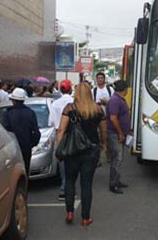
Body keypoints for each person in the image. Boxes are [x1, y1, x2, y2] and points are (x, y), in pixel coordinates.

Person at [56, 83, 107, 226]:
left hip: (72, 151)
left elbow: (61, 130)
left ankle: (70, 212)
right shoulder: (98, 110)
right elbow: (103, 130)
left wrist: (61, 147)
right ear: (90, 93)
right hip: (91, 151)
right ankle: (85, 218)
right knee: (86, 184)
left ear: (76, 93)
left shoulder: (69, 109)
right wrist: (103, 144)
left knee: (70, 181)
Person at [3, 88, 41, 176]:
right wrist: (32, 143)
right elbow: (36, 132)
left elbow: (5, 131)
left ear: (13, 100)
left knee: (13, 172)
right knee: (25, 169)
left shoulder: (8, 113)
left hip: (12, 147)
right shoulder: (30, 113)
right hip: (26, 147)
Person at [48, 79, 74, 201]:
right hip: (73, 134)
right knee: (73, 162)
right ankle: (70, 188)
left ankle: (64, 188)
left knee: (62, 162)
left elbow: (51, 122)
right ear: (70, 89)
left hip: (60, 133)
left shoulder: (55, 104)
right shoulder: (74, 102)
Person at [106, 80, 131, 194]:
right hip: (115, 134)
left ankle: (117, 180)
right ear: (124, 89)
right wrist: (120, 133)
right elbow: (113, 118)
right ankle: (113, 184)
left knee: (119, 158)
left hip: (118, 133)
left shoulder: (118, 99)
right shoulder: (115, 100)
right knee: (116, 159)